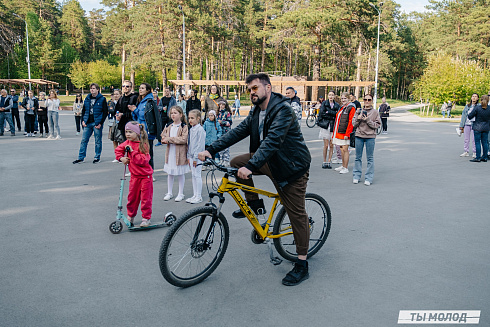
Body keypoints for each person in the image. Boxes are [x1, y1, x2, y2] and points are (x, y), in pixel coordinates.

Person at [198, 73, 312, 286]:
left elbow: (273, 140)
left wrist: (250, 166)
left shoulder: (283, 110)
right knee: (234, 163)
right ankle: (254, 204)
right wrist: (211, 149)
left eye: (255, 88)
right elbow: (239, 131)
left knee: (297, 215)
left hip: (290, 167)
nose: (252, 92)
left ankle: (302, 264)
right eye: (249, 89)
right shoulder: (256, 111)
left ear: (268, 88)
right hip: (269, 159)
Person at [115, 122, 154, 228]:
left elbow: (143, 161)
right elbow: (118, 150)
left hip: (145, 177)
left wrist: (132, 152)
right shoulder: (127, 142)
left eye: (130, 132)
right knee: (132, 198)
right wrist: (121, 158)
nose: (127, 134)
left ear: (137, 133)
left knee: (146, 198)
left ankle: (146, 218)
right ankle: (131, 216)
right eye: (126, 132)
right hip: (134, 177)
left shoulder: (143, 144)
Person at [129, 83, 162, 171]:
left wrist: (135, 110)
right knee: (140, 151)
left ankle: (150, 171)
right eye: (139, 88)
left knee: (148, 152)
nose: (140, 90)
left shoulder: (149, 101)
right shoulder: (141, 101)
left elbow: (144, 116)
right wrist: (133, 110)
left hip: (147, 131)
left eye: (143, 88)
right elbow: (136, 117)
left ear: (147, 90)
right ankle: (139, 170)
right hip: (139, 130)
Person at [73, 83, 108, 164]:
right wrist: (83, 120)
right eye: (91, 88)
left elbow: (105, 112)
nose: (92, 90)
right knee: (84, 140)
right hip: (88, 122)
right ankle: (81, 157)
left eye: (94, 88)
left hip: (97, 122)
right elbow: (84, 110)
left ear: (98, 89)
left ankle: (97, 157)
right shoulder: (87, 98)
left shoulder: (102, 99)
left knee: (97, 141)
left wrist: (100, 123)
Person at [352, 93, 382, 185]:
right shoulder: (358, 111)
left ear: (372, 101)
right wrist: (358, 119)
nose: (367, 102)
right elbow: (353, 124)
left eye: (369, 100)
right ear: (363, 101)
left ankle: (368, 178)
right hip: (359, 136)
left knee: (370, 158)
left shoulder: (375, 112)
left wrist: (368, 120)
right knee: (358, 157)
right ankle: (356, 176)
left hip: (370, 137)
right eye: (365, 100)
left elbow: (377, 125)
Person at [161, 106, 189, 202]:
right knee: (170, 173)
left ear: (180, 115)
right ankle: (169, 192)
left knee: (180, 173)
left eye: (175, 113)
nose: (173, 115)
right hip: (170, 152)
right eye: (172, 113)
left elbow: (183, 139)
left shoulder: (183, 126)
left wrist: (170, 139)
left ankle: (180, 193)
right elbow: (163, 135)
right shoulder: (169, 125)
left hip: (180, 153)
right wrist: (164, 139)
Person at [332, 92, 356, 174]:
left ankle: (345, 167)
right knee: (341, 149)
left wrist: (347, 134)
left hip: (345, 132)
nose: (343, 100)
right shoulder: (342, 107)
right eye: (342, 98)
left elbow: (351, 122)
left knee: (345, 149)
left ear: (348, 98)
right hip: (339, 131)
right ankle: (343, 165)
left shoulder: (351, 107)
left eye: (345, 98)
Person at [186, 109, 206, 204]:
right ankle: (195, 194)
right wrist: (189, 156)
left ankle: (199, 196)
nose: (190, 120)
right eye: (189, 118)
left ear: (198, 118)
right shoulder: (192, 129)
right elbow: (190, 144)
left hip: (197, 157)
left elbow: (200, 145)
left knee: (197, 175)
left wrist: (195, 158)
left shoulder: (200, 129)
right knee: (193, 175)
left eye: (192, 118)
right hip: (191, 156)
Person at [317, 90, 340, 169]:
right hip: (326, 126)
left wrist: (328, 112)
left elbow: (337, 115)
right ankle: (324, 161)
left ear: (334, 96)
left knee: (331, 145)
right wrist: (332, 114)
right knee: (326, 145)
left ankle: (329, 161)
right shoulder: (324, 103)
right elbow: (322, 113)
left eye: (332, 95)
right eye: (329, 95)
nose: (331, 96)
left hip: (333, 126)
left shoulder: (337, 105)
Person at [468, 95, 490, 162]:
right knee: (485, 142)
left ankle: (478, 157)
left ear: (480, 100)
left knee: (477, 142)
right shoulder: (489, 108)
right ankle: (485, 157)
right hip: (486, 127)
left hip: (477, 127)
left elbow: (470, 116)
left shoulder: (477, 108)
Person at [458, 93, 478, 158]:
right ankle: (466, 151)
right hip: (467, 124)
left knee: (474, 139)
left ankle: (475, 152)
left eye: (475, 96)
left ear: (478, 98)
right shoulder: (467, 106)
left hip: (475, 124)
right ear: (471, 98)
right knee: (466, 139)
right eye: (473, 96)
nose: (474, 98)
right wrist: (461, 125)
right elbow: (463, 116)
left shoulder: (478, 106)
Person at [217, 100, 233, 166]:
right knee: (220, 146)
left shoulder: (227, 113)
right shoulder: (218, 113)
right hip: (220, 131)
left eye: (223, 105)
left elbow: (229, 122)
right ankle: (221, 159)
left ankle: (226, 160)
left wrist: (222, 122)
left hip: (226, 131)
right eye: (220, 105)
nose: (221, 106)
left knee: (226, 146)